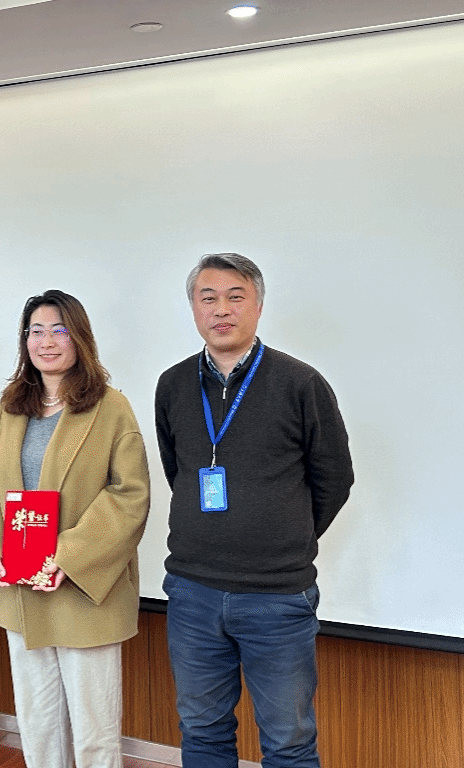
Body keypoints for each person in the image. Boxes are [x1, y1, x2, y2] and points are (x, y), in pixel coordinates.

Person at [153, 253, 354, 768]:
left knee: (288, 741)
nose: (221, 309)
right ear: (193, 308)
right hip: (192, 592)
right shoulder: (172, 385)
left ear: (258, 306)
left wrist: (283, 536)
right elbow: (179, 472)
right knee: (201, 730)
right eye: (208, 298)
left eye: (235, 297)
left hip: (276, 597)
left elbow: (334, 479)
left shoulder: (300, 383)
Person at [0, 290, 150, 768]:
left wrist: (67, 556)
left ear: (79, 337)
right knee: (38, 726)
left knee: (94, 735)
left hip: (84, 590)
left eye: (59, 330)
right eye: (36, 331)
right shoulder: (10, 409)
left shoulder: (111, 408)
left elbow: (129, 494)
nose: (46, 342)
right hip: (21, 589)